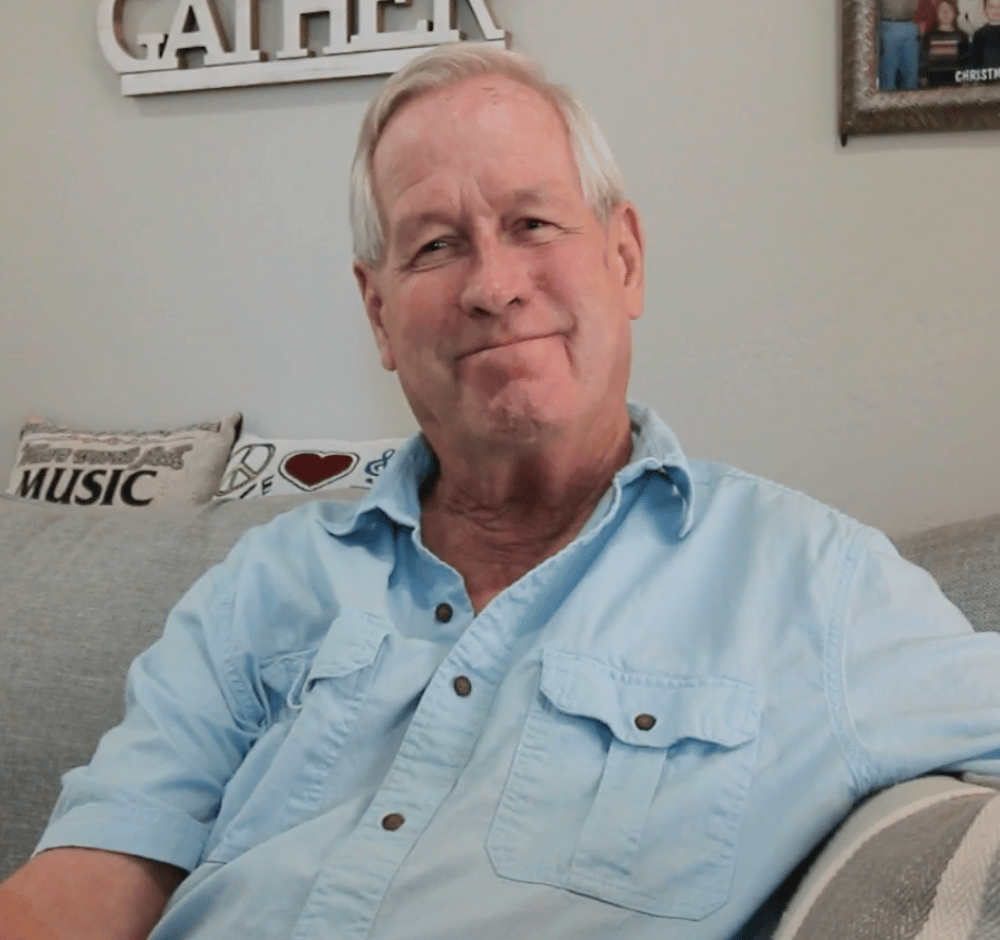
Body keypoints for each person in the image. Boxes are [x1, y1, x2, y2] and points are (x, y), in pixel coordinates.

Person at [4, 42, 1000, 940]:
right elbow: (96, 871)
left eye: (531, 221)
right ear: (379, 311)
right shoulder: (262, 581)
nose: (492, 283)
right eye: (435, 244)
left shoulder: (812, 585)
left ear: (624, 259)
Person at [921, 0, 971, 85]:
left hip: (955, 84)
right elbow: (923, 60)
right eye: (941, 10)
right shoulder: (928, 36)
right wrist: (923, 78)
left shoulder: (962, 36)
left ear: (955, 13)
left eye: (949, 9)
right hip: (933, 83)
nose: (945, 13)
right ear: (936, 14)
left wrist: (966, 80)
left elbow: (966, 61)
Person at [880, 0, 922, 88]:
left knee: (912, 75)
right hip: (889, 25)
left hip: (911, 25)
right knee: (888, 74)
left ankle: (912, 101)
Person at [972, 0, 1000, 70]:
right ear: (984, 10)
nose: (996, 10)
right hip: (986, 79)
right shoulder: (979, 35)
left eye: (999, 6)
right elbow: (975, 63)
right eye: (991, 7)